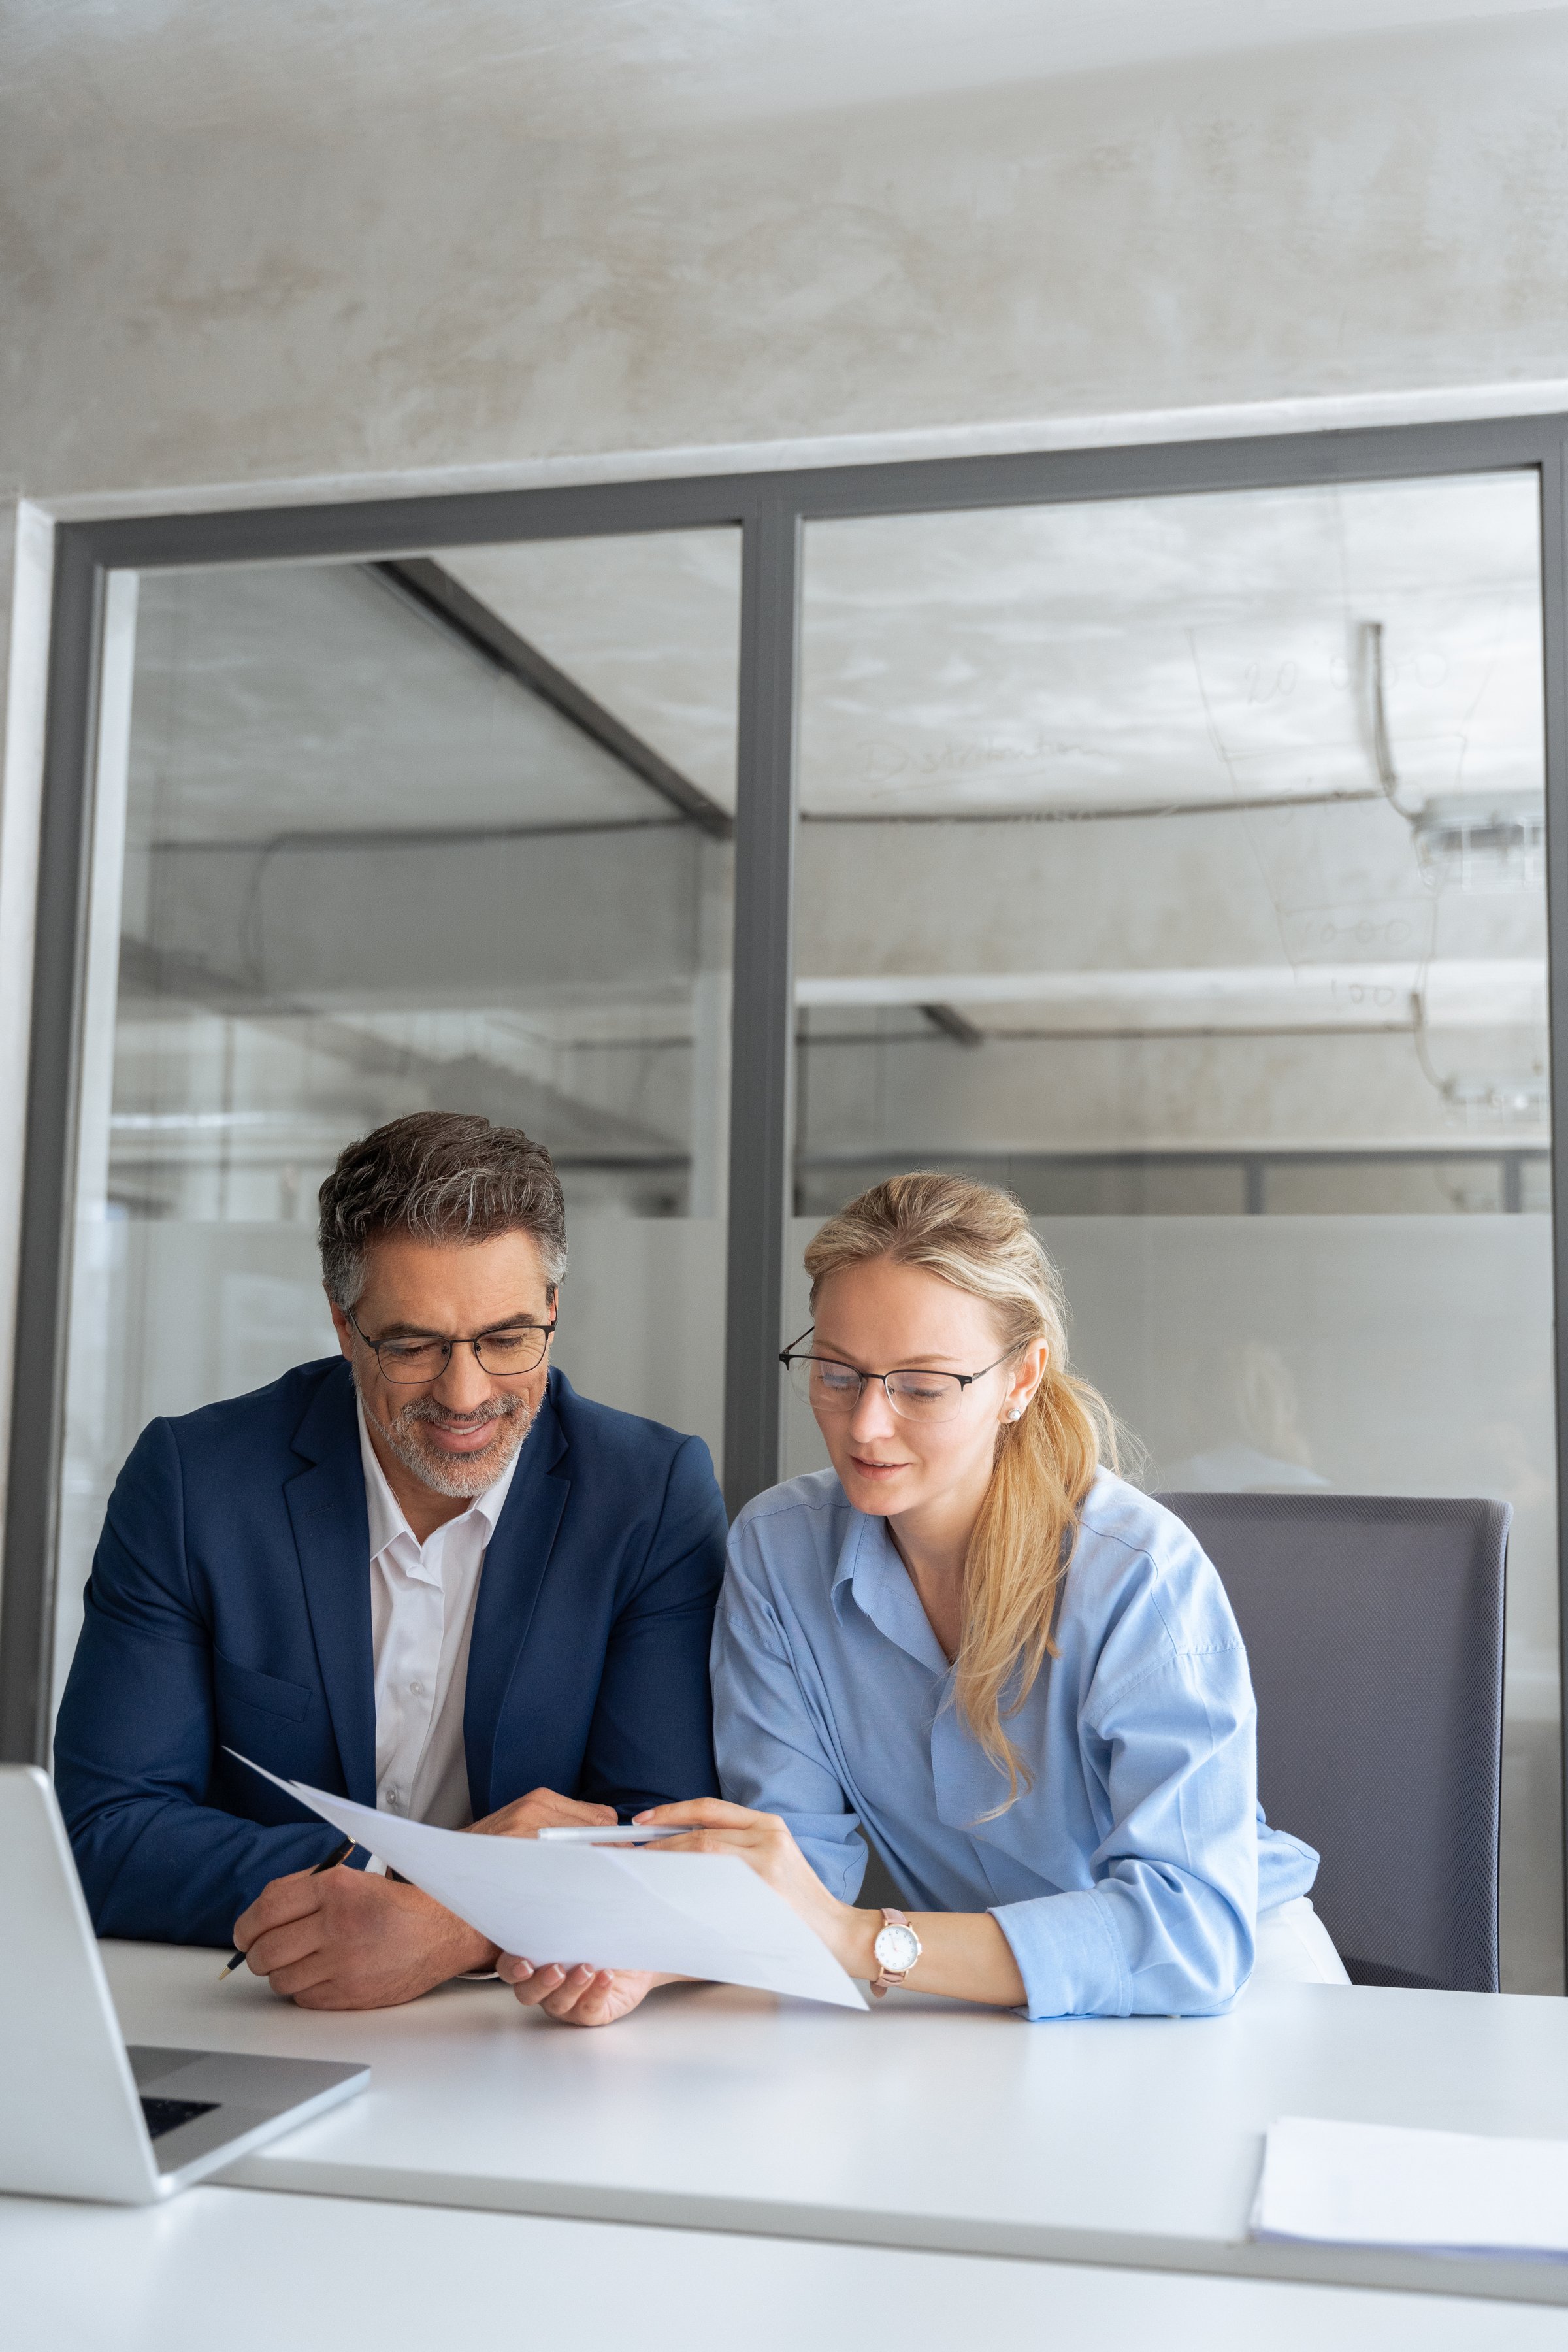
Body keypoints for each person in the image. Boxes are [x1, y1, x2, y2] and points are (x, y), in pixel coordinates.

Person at [497, 1170, 1345, 2027]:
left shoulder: (1137, 1573)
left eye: (923, 1387)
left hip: (1234, 1999)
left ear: (1021, 1380)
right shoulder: (778, 1552)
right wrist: (653, 1951)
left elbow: (1191, 1935)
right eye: (837, 1373)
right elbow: (802, 1872)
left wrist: (865, 1940)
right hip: (982, 2007)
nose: (866, 1425)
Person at [54, 1112, 727, 2009]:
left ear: (555, 1315)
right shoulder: (195, 1485)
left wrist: (451, 1927)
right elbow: (103, 1834)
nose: (465, 1392)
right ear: (342, 1323)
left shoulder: (649, 1496)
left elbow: (670, 1841)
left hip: (527, 2036)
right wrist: (410, 1882)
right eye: (412, 1345)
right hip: (252, 2014)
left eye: (506, 1338)